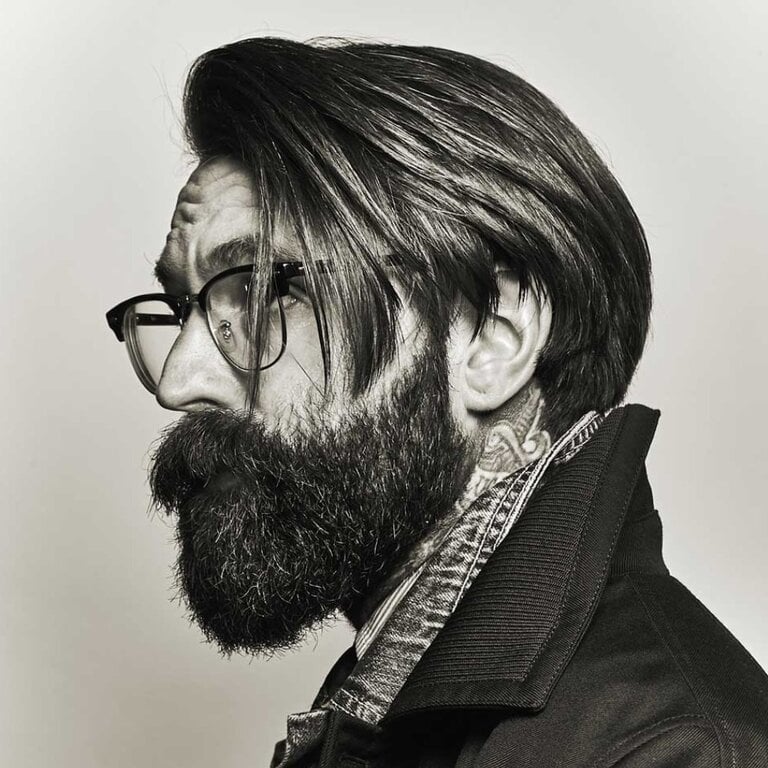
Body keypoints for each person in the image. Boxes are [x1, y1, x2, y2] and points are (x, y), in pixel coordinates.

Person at [105, 37, 768, 768]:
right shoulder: (387, 703)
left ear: (492, 337)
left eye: (260, 293)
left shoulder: (674, 751)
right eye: (183, 309)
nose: (178, 381)